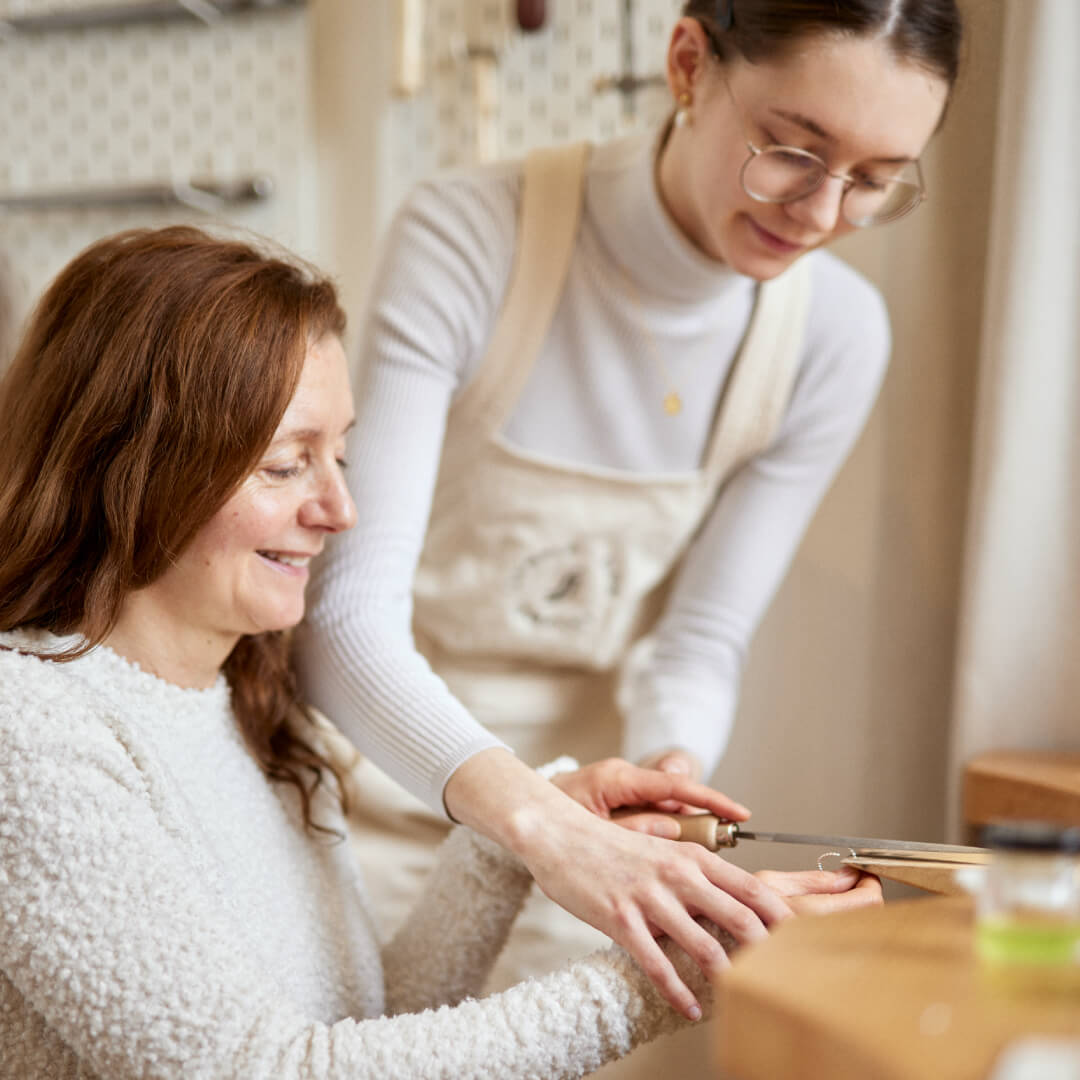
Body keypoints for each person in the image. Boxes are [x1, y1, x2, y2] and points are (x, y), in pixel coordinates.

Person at [0, 227, 879, 1080]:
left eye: (339, 455)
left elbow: (365, 1026)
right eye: (285, 465)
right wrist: (676, 974)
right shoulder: (28, 733)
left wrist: (512, 844)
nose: (340, 510)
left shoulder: (242, 708)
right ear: (133, 463)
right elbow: (265, 1070)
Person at [294, 0, 963, 1035]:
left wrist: (671, 772)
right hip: (358, 810)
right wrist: (532, 821)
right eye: (793, 150)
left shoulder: (834, 335)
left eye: (875, 181)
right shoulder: (471, 235)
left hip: (593, 847)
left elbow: (697, 639)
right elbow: (343, 618)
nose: (823, 213)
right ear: (689, 62)